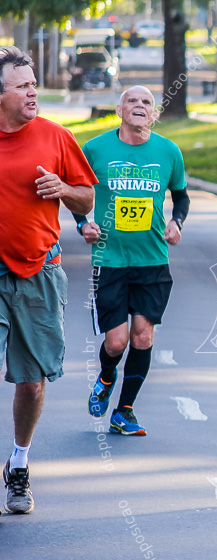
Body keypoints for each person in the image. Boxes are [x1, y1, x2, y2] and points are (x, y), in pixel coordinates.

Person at [0, 47, 97, 514]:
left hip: (40, 271)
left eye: (34, 83)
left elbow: (85, 199)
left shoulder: (56, 137)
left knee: (33, 382)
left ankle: (18, 463)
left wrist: (64, 190)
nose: (33, 91)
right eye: (23, 86)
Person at [75, 85, 189, 436]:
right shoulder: (95, 149)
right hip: (109, 260)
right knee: (117, 342)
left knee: (143, 336)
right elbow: (75, 193)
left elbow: (181, 196)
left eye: (147, 103)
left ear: (154, 114)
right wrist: (83, 224)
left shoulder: (168, 151)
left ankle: (124, 411)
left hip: (152, 260)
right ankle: (107, 375)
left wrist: (176, 222)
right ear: (119, 111)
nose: (139, 106)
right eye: (132, 101)